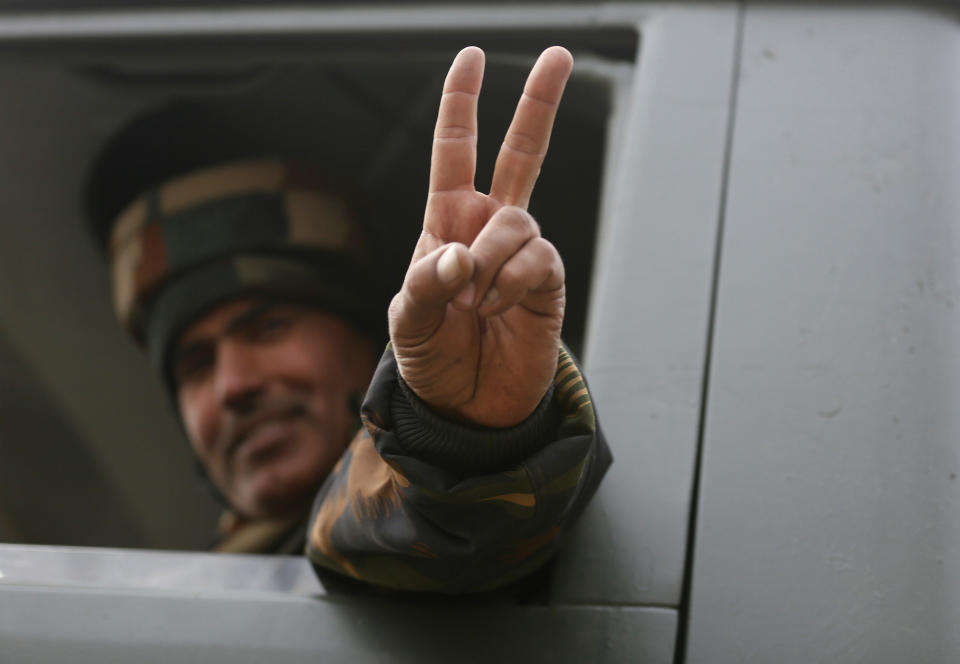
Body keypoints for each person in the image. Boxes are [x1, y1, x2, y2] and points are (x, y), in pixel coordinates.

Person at [93, 46, 611, 593]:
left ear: (367, 341)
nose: (233, 385)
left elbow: (411, 524)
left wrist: (465, 439)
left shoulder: (395, 541)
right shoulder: (172, 597)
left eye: (268, 327)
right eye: (196, 363)